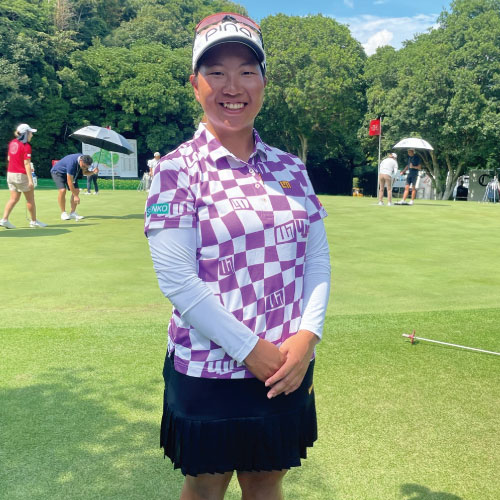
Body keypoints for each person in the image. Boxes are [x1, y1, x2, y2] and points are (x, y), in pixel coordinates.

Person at [145, 12, 331, 500]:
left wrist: (307, 338)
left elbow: (316, 259)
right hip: (209, 366)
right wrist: (251, 350)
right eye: (217, 72)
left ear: (264, 82)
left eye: (247, 71)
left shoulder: (291, 168)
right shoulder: (176, 170)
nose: (233, 86)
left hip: (287, 363)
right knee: (206, 485)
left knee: (266, 481)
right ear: (195, 84)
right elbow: (177, 280)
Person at [1, 123, 47, 229]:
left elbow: (9, 158)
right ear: (26, 133)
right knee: (30, 199)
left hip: (10, 174)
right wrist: (30, 180)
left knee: (13, 199)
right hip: (21, 175)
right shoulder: (26, 146)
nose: (32, 135)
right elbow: (26, 163)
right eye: (30, 133)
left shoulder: (12, 142)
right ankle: (34, 221)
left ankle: (4, 220)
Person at [50, 153, 92, 220]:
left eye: (86, 167)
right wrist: (75, 196)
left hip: (69, 174)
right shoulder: (72, 163)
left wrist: (93, 172)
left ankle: (72, 213)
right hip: (58, 172)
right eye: (83, 166)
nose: (84, 168)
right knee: (62, 190)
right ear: (81, 160)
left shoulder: (84, 161)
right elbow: (69, 181)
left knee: (76, 190)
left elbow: (85, 173)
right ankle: (63, 213)